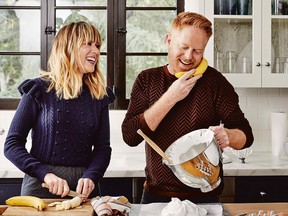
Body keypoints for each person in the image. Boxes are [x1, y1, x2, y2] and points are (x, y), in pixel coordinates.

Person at [121, 12, 254, 204]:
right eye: (183, 47)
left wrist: (228, 136)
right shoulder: (147, 80)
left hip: (205, 199)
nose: (189, 56)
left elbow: (246, 136)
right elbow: (130, 136)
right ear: (169, 40)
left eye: (197, 51)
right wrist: (171, 97)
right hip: (156, 197)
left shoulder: (215, 83)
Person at [4, 21, 115, 200]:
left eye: (97, 45)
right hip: (40, 185)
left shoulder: (100, 96)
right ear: (68, 48)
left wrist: (91, 176)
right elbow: (12, 145)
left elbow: (103, 148)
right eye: (87, 44)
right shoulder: (38, 90)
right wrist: (44, 173)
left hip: (83, 189)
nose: (95, 51)